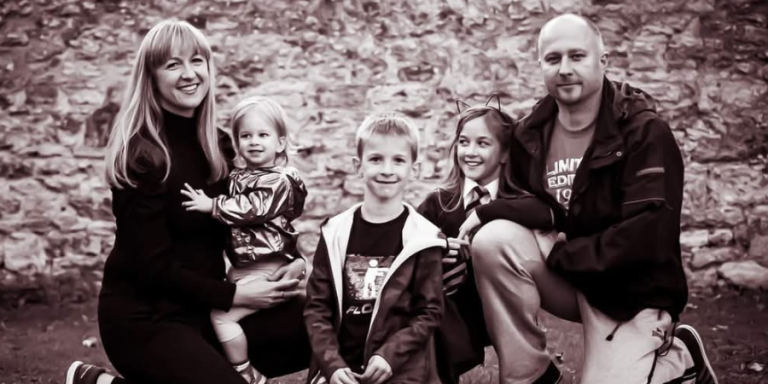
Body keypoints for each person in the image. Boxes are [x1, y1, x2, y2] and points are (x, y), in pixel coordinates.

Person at [460, 13, 719, 384]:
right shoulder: (530, 134)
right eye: (553, 59)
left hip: (629, 292)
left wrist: (567, 256)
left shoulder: (645, 133)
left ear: (603, 61)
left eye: (577, 56)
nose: (564, 69)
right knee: (493, 240)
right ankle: (530, 374)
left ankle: (680, 357)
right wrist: (486, 213)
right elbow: (530, 207)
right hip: (567, 276)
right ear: (541, 66)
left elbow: (649, 236)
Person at [65, 19, 310, 384]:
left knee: (330, 323)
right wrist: (235, 294)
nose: (189, 74)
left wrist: (288, 263)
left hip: (208, 308)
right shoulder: (142, 156)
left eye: (197, 61)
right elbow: (151, 267)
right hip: (148, 318)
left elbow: (253, 218)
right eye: (172, 64)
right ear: (151, 76)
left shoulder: (220, 144)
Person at [417, 96, 554, 384]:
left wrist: (486, 212)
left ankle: (535, 372)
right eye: (464, 142)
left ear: (505, 153)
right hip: (450, 314)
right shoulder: (438, 204)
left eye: (483, 143)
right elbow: (409, 248)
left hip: (503, 308)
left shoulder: (517, 201)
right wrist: (436, 257)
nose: (470, 151)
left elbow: (549, 213)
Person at [304, 113, 445, 384]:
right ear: (359, 166)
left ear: (414, 170)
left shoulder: (423, 237)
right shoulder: (335, 232)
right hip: (341, 367)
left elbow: (430, 312)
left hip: (400, 368)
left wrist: (389, 356)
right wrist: (331, 365)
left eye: (399, 160)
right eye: (376, 159)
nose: (387, 170)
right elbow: (317, 308)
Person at [180, 96, 308, 384]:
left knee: (221, 317)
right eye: (245, 136)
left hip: (266, 265)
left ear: (280, 142)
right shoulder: (239, 175)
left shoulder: (279, 180)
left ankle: (245, 372)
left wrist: (211, 205)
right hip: (241, 268)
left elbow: (254, 209)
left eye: (263, 135)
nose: (254, 142)